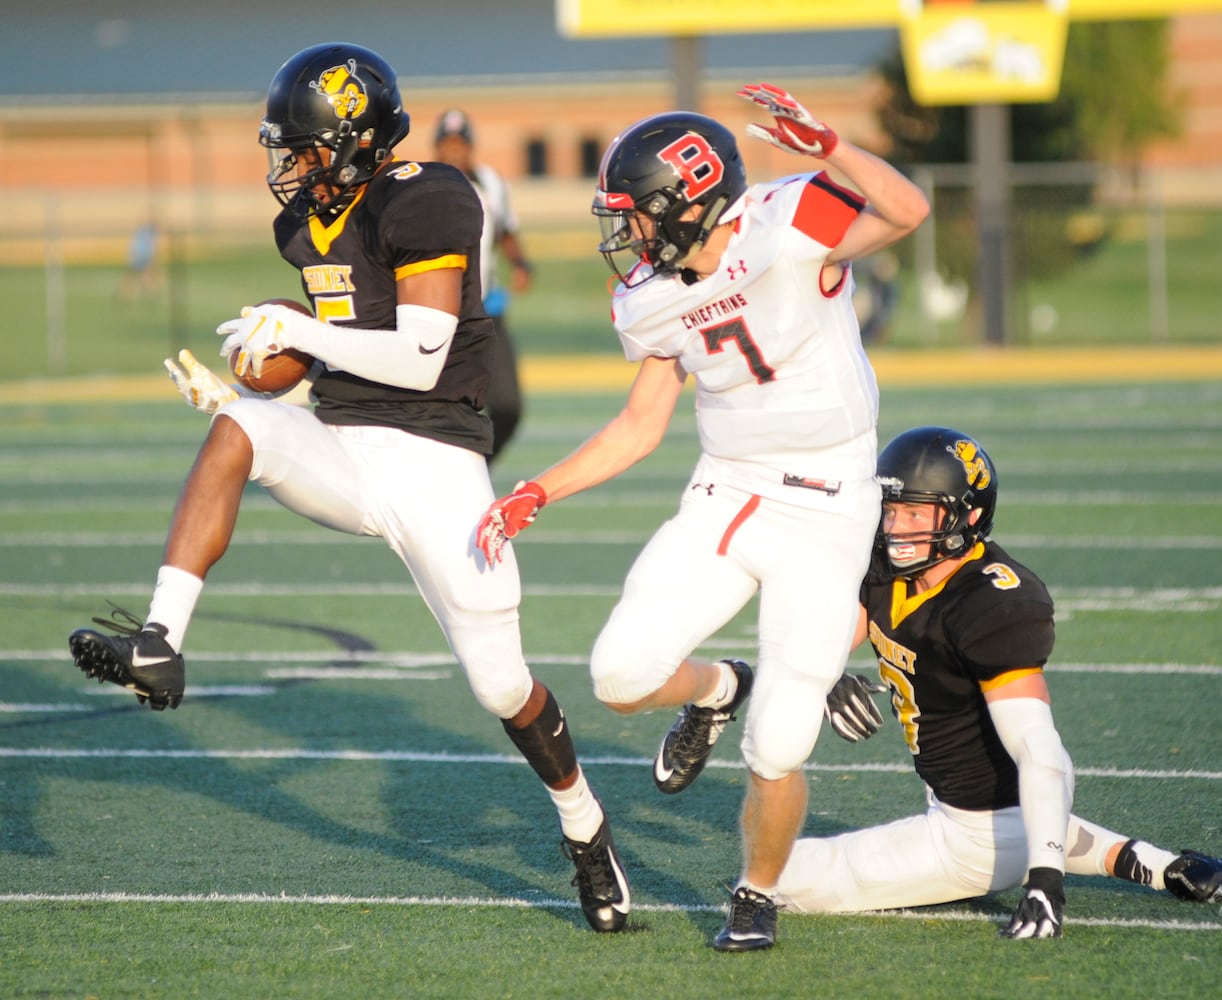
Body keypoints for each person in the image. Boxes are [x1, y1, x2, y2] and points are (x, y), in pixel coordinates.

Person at [65, 42, 630, 934]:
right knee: (235, 428)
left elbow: (418, 352)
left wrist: (295, 331)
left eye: (304, 150)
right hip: (340, 440)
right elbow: (339, 348)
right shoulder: (305, 226)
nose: (289, 168)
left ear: (359, 142)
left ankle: (585, 828)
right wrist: (267, 384)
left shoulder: (430, 198)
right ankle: (160, 641)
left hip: (438, 462)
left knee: (499, 686)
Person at [476, 83, 931, 951]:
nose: (629, 236)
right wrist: (539, 490)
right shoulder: (646, 297)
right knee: (618, 675)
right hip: (728, 490)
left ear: (689, 204)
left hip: (830, 502)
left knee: (782, 745)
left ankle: (755, 894)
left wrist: (829, 146)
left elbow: (905, 208)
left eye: (637, 215)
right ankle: (723, 685)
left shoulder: (787, 220)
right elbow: (642, 424)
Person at [775, 425, 1222, 936]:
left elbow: (1038, 749)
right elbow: (817, 644)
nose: (895, 528)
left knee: (771, 877)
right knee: (1007, 825)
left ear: (965, 516)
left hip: (977, 833)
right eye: (891, 509)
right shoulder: (887, 570)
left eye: (914, 513)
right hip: (988, 809)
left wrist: (1044, 882)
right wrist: (826, 674)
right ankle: (1166, 867)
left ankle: (1040, 861)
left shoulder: (991, 601)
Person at [432, 108, 531, 465]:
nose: (454, 151)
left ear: (471, 146)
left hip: (487, 310)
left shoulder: (491, 183)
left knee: (508, 406)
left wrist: (520, 262)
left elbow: (505, 229)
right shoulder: (423, 185)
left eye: (460, 144)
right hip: (439, 315)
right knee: (441, 412)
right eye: (447, 144)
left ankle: (476, 468)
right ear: (437, 147)